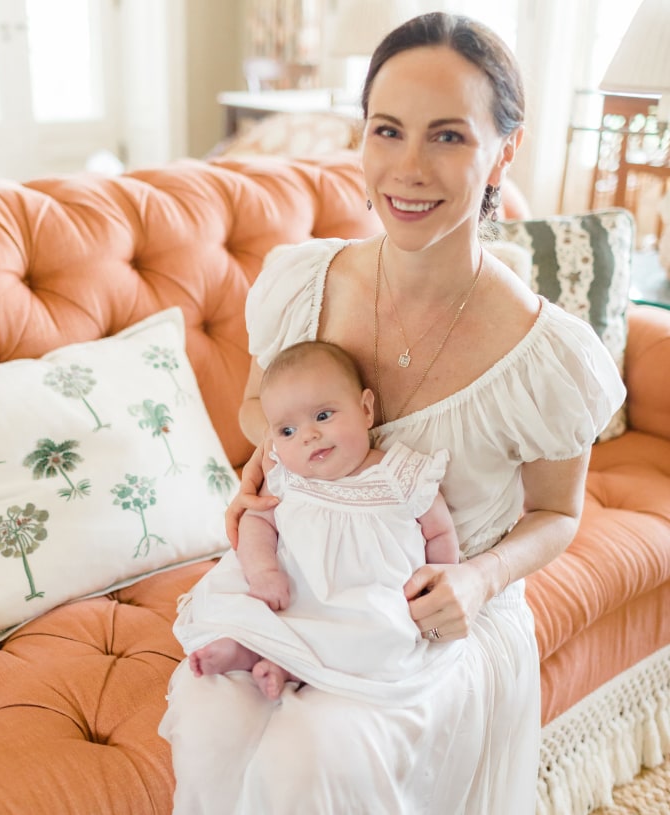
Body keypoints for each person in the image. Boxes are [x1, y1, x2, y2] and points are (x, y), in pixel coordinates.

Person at [159, 11, 626, 814]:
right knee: (206, 711)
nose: (407, 169)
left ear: (504, 152)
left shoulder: (551, 356)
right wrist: (262, 467)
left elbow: (558, 510)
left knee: (313, 754)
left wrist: (475, 580)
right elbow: (254, 405)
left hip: (437, 622)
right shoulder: (302, 284)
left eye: (448, 136)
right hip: (304, 581)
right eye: (387, 130)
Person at [175, 339, 460, 703]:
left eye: (323, 416)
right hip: (290, 587)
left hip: (367, 600)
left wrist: (439, 583)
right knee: (244, 604)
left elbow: (439, 531)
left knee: (388, 632)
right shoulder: (285, 475)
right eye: (287, 431)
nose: (308, 436)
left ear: (366, 409)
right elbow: (256, 522)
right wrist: (264, 572)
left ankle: (286, 666)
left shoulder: (402, 474)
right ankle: (245, 648)